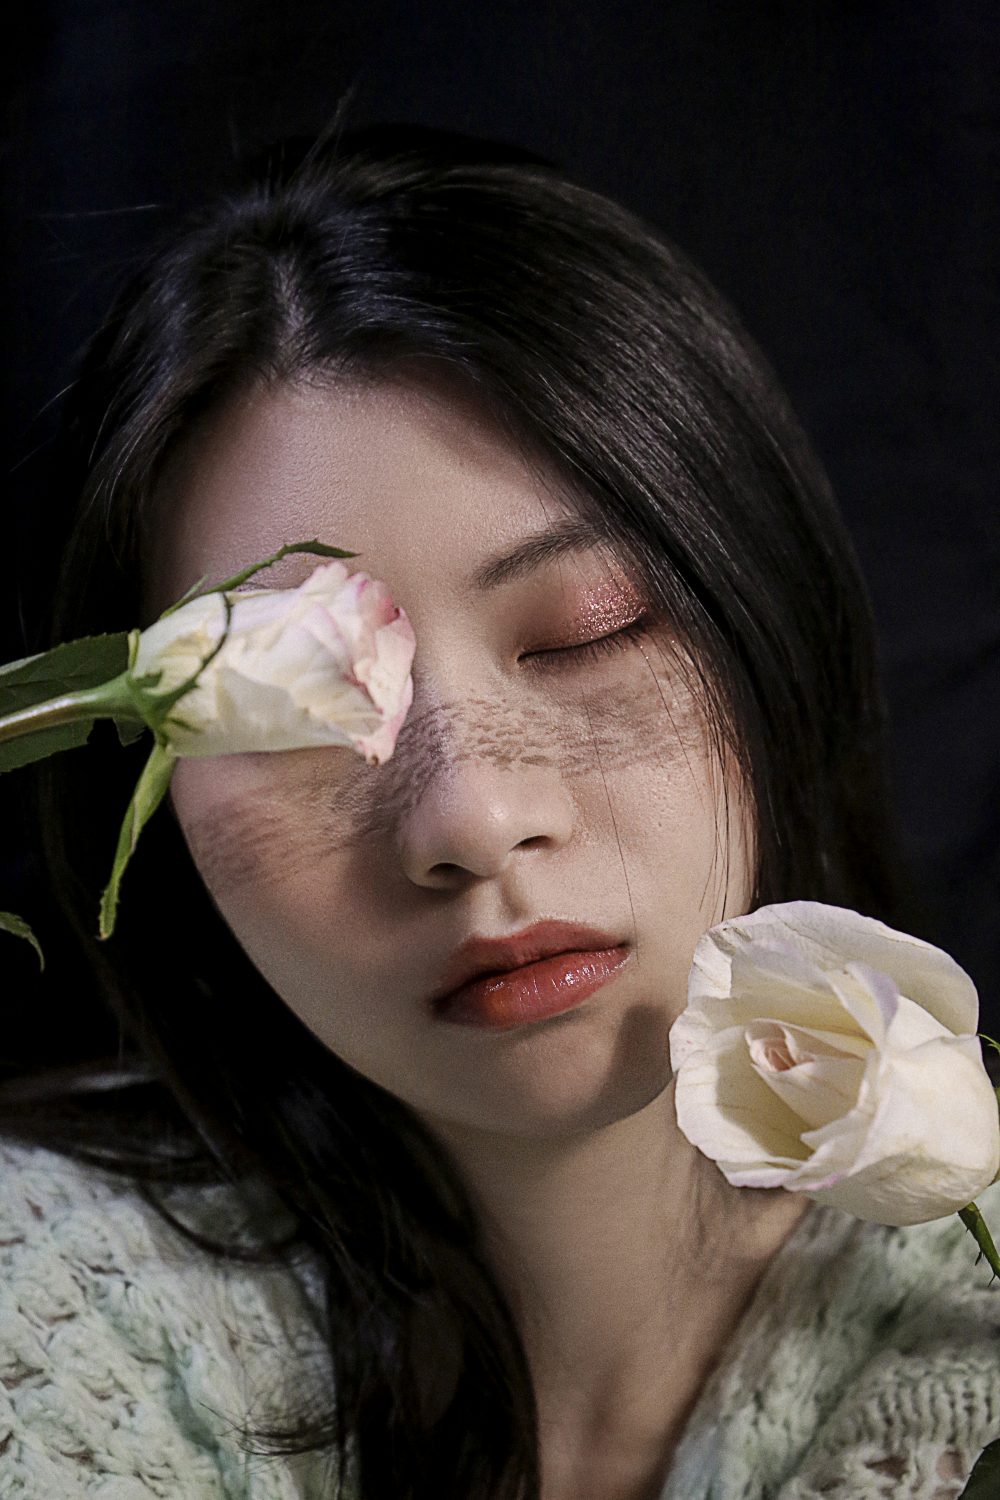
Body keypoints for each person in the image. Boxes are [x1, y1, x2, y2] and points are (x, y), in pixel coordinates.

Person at [1, 113, 997, 1500]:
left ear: (771, 623)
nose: (469, 818)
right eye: (300, 709)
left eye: (584, 632)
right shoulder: (46, 1320)